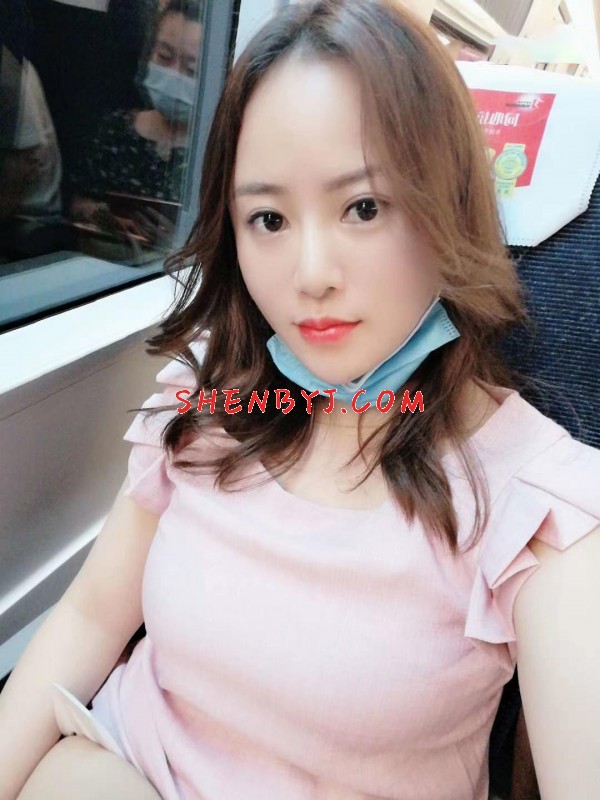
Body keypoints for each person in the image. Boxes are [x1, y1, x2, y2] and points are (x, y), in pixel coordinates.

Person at [1, 1, 599, 799]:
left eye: (363, 207)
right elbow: (90, 617)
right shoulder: (204, 404)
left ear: (449, 205)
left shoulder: (536, 511)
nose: (310, 275)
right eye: (269, 218)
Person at [68, 0, 204, 247]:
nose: (173, 74)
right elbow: (76, 202)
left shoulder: (213, 153)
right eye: (164, 56)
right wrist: (102, 216)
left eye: (191, 69)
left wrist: (183, 243)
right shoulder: (114, 130)